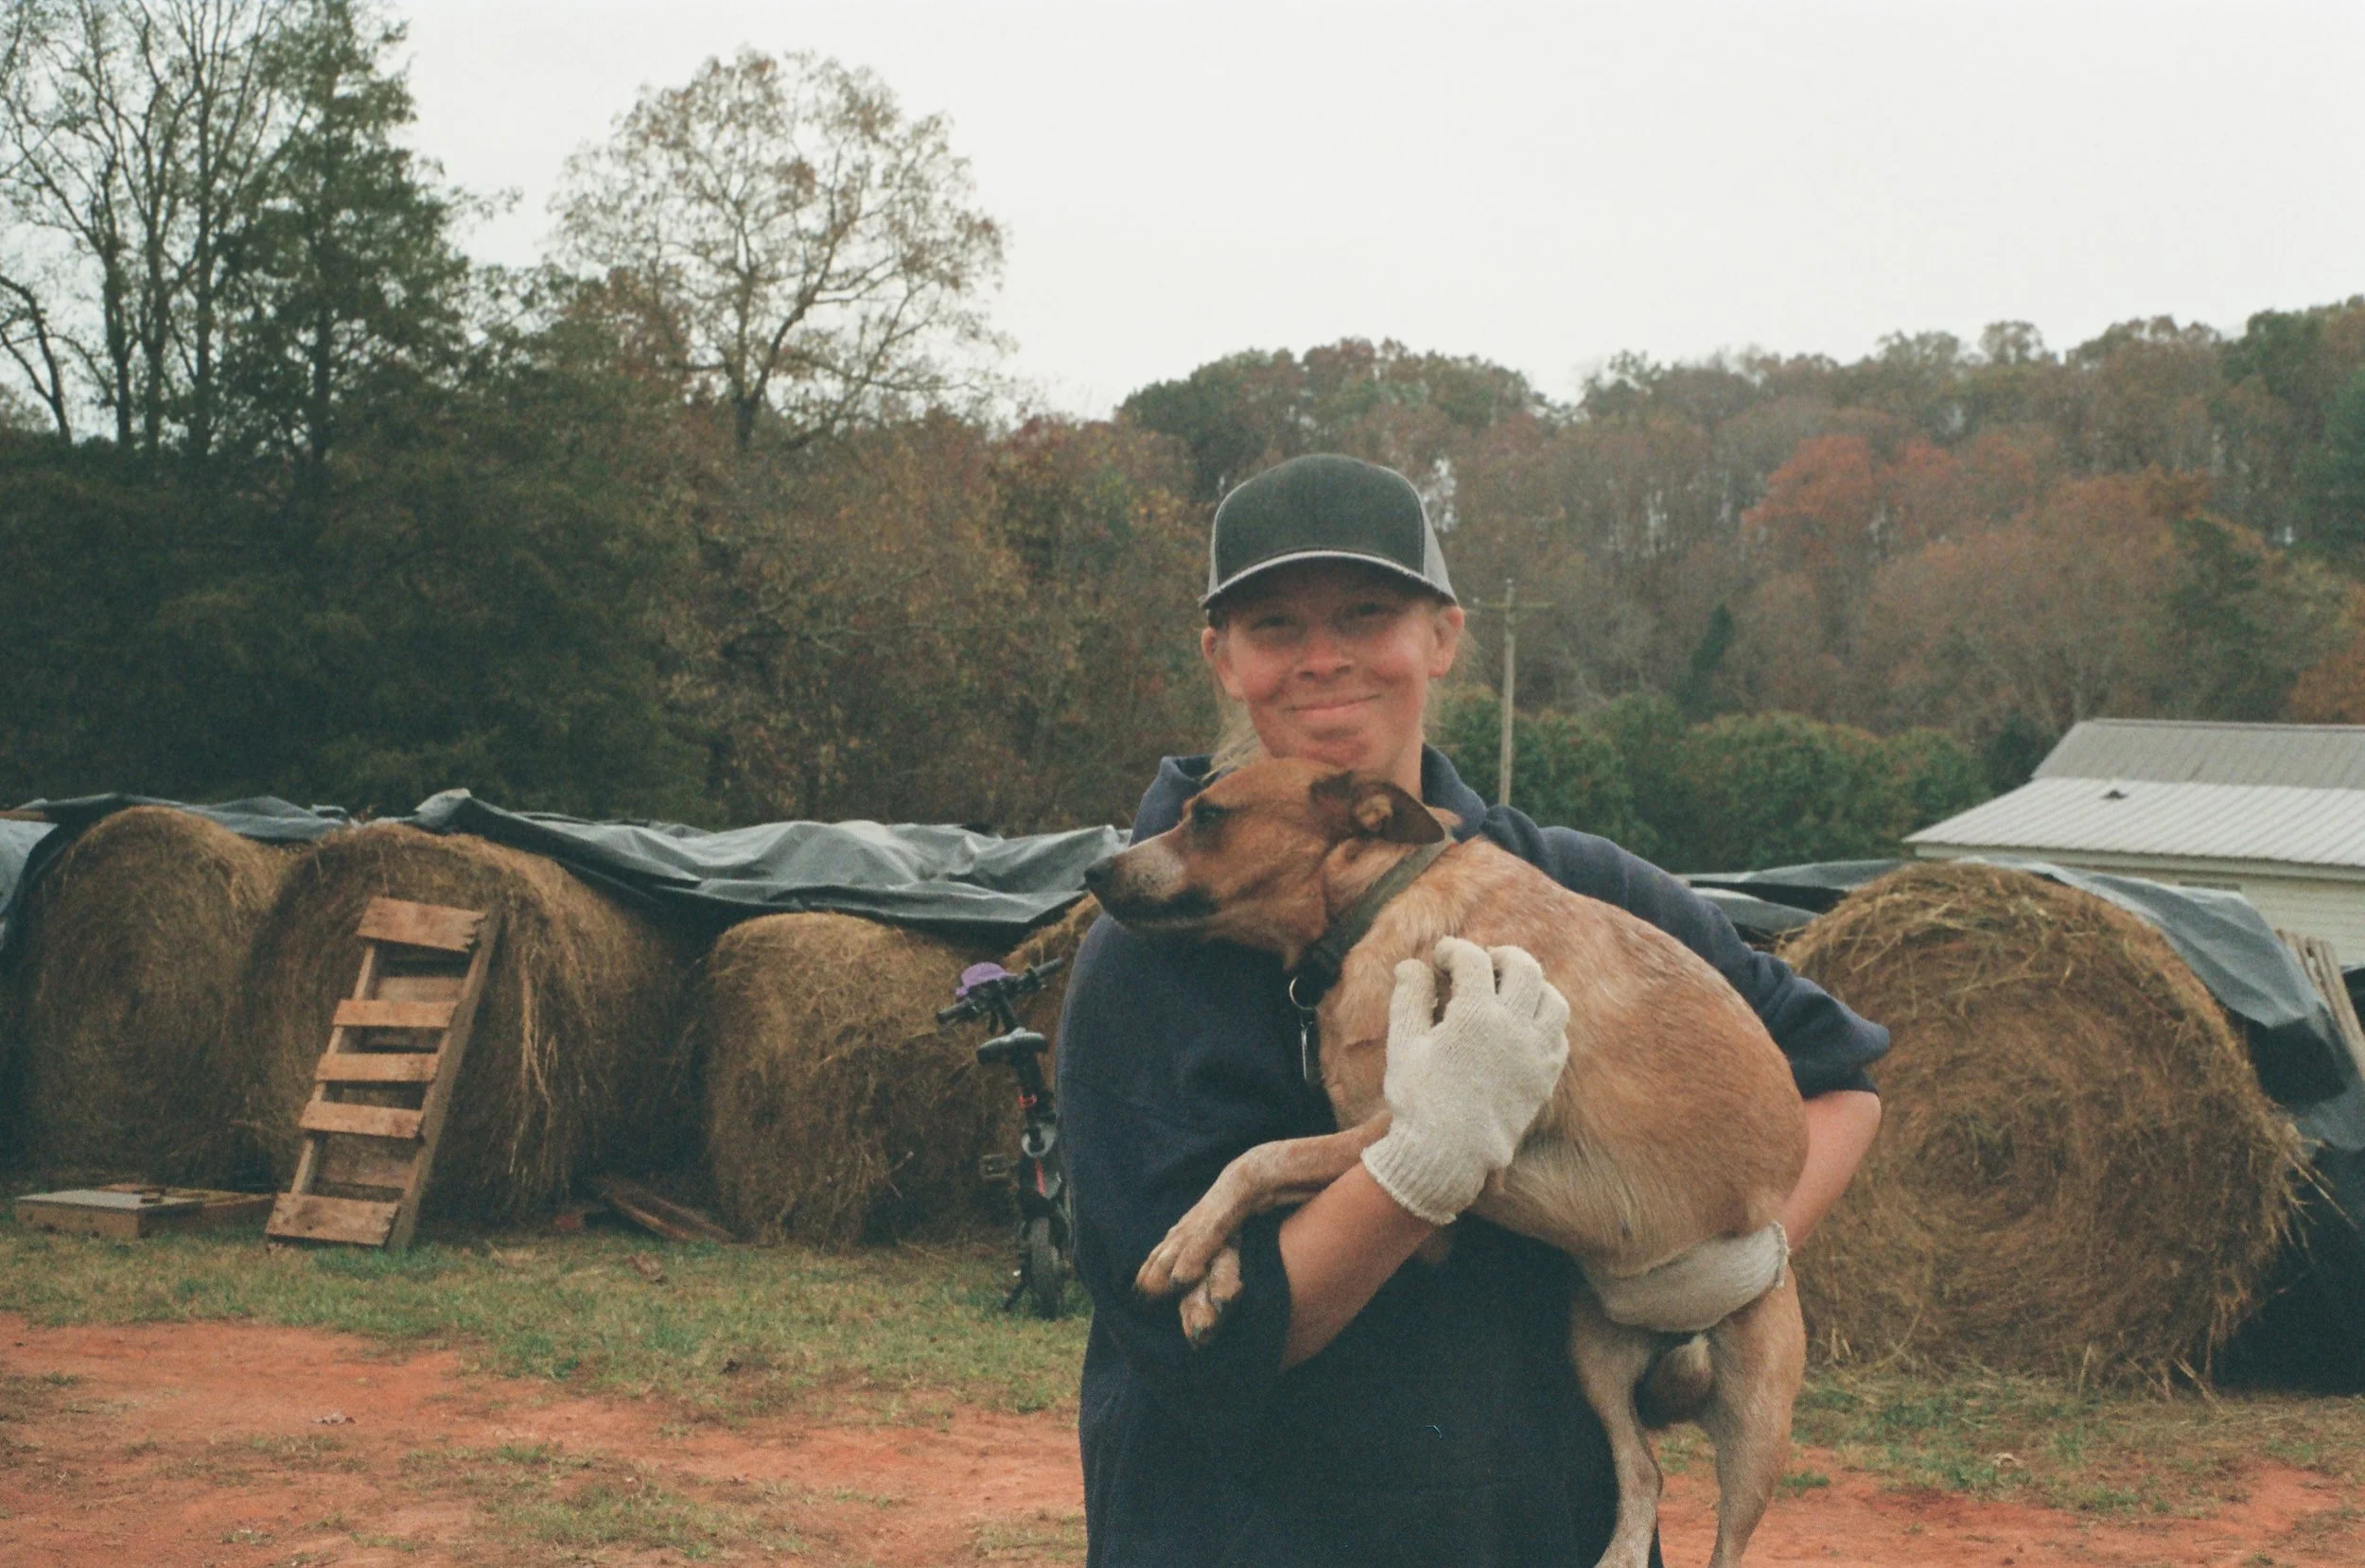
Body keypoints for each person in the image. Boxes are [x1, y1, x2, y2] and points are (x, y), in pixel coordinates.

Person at [1055, 453, 1887, 1567]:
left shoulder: (1579, 888)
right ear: (1222, 659)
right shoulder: (1141, 956)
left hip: (1543, 1533)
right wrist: (1421, 1166)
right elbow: (1197, 1344)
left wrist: (1732, 1255)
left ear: (1441, 637)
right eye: (1272, 624)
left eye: (1367, 613)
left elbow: (1837, 1078)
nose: (1322, 657)